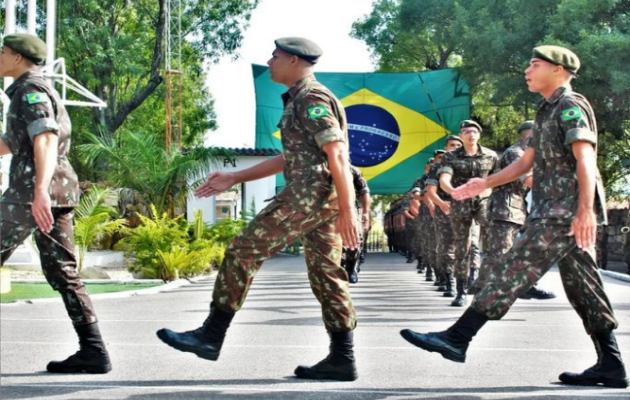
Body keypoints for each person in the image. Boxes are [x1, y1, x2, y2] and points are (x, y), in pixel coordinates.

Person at [400, 45, 628, 388]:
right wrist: (485, 182)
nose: (527, 70)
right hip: (555, 208)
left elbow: (585, 159)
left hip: (563, 212)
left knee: (513, 267)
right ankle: (611, 364)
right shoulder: (545, 110)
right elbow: (526, 162)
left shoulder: (570, 105)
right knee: (585, 287)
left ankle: (458, 337)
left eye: (535, 64)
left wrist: (584, 211)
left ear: (558, 70)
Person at [156, 37, 360, 382]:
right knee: (327, 275)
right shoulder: (299, 99)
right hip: (318, 199)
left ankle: (211, 335)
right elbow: (291, 157)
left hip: (307, 197)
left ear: (294, 60)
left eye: (275, 56)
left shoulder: (310, 98)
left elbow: (337, 153)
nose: (270, 61)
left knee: (241, 251)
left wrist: (348, 208)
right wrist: (235, 176)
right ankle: (343, 357)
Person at [0, 34, 111, 374]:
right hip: (51, 193)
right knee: (64, 273)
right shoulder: (34, 89)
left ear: (18, 58)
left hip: (31, 194)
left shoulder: (28, 90)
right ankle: (93, 350)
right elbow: (13, 141)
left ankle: (93, 350)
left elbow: (45, 139)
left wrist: (39, 192)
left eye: (2, 52)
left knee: (63, 273)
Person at [468, 121, 556, 300]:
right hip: (505, 209)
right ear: (530, 136)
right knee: (499, 253)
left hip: (518, 209)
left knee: (524, 251)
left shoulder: (527, 154)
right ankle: (483, 290)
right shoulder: (515, 153)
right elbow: (529, 180)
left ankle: (524, 285)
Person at [438, 120, 499, 307]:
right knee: (461, 248)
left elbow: (498, 178)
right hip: (461, 202)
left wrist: (488, 190)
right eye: (465, 132)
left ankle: (487, 286)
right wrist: (452, 192)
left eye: (473, 131)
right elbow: (444, 178)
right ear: (461, 136)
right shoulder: (451, 156)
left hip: (484, 202)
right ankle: (461, 291)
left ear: (479, 135)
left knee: (492, 243)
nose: (470, 134)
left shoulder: (491, 155)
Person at [423, 137, 463, 292]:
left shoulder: (470, 164)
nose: (455, 147)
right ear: (446, 148)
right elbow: (430, 192)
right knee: (446, 248)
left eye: (458, 145)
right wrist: (440, 204)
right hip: (445, 209)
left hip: (467, 209)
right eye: (452, 145)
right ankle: (449, 282)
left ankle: (466, 285)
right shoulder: (437, 168)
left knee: (470, 247)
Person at [342, 164, 370, 283]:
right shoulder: (321, 168)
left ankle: (350, 268)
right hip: (328, 210)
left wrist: (365, 212)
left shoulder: (352, 170)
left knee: (354, 239)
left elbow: (364, 192)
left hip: (352, 209)